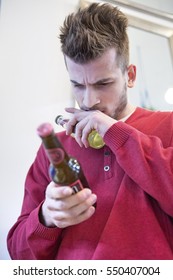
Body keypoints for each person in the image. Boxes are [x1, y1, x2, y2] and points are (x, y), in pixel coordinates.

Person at [7, 2, 173, 260]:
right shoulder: (55, 149)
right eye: (78, 85)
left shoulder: (168, 126)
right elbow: (19, 255)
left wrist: (115, 132)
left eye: (103, 83)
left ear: (129, 75)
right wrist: (46, 218)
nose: (88, 101)